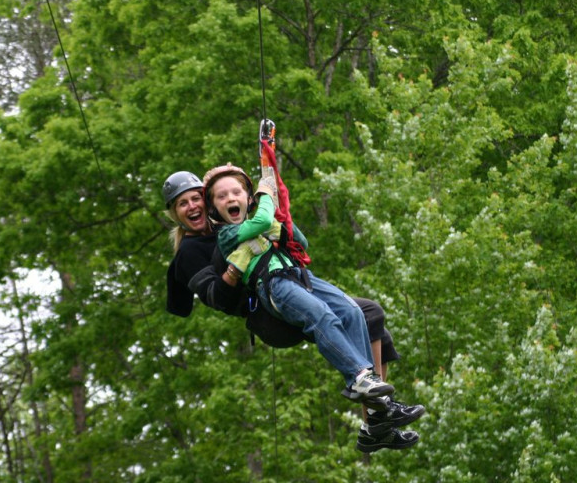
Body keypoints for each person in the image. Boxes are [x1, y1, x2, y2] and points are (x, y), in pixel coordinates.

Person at [163, 169, 423, 452]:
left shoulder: (228, 221)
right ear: (175, 213)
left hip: (286, 283)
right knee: (325, 316)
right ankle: (368, 395)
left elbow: (262, 216)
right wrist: (235, 269)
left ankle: (377, 419)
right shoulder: (192, 251)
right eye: (183, 203)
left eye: (194, 199)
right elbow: (218, 299)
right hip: (266, 311)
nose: (192, 207)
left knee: (368, 315)